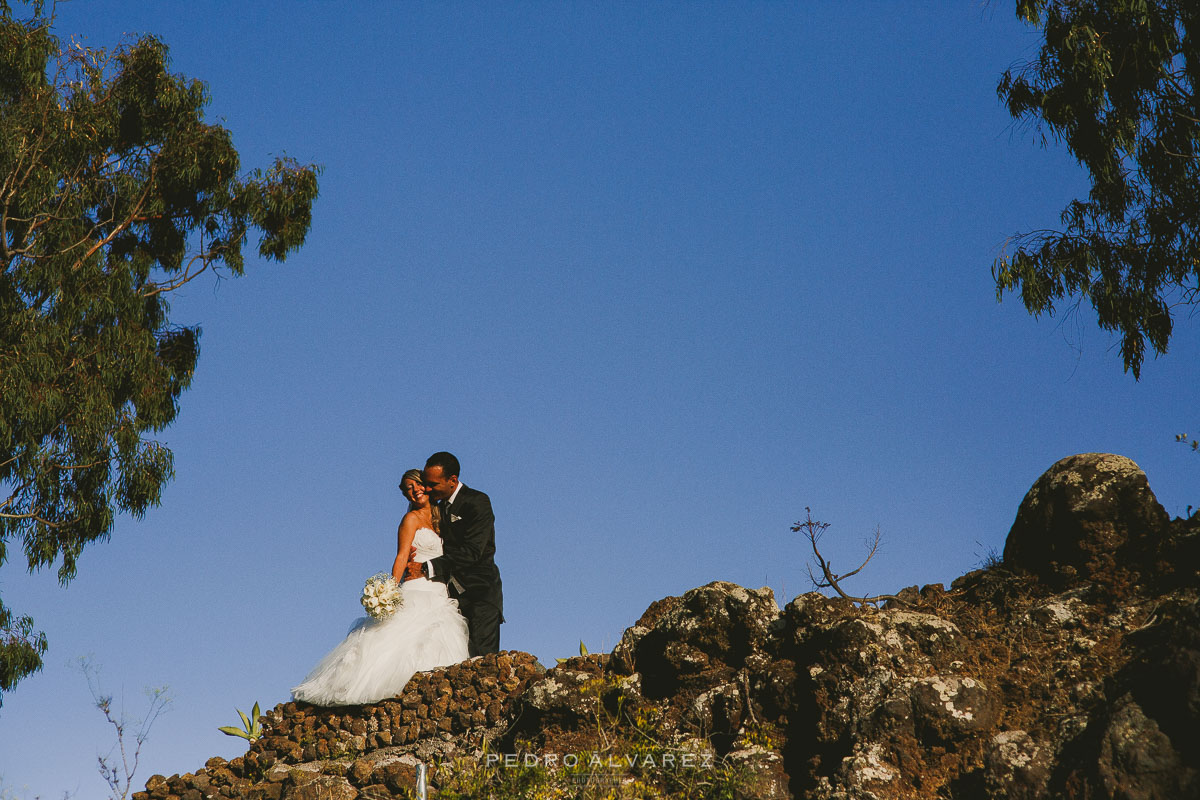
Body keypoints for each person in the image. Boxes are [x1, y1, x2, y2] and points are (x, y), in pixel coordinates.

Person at [291, 469, 469, 706]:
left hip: (439, 591)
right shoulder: (410, 520)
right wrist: (390, 591)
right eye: (407, 489)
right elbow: (402, 556)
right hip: (417, 588)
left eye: (415, 485)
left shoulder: (441, 518)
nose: (413, 491)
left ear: (426, 485)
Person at [405, 451, 503, 656]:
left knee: (480, 661)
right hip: (448, 600)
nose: (428, 489)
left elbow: (473, 552)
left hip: (479, 596)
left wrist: (426, 567)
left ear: (452, 480)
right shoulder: (437, 509)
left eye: (433, 484)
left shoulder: (477, 502)